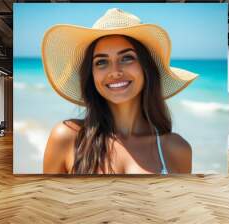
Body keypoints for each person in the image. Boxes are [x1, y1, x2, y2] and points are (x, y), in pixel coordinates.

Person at [41, 8, 198, 174]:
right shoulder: (66, 137)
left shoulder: (177, 149)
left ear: (146, 68)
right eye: (101, 62)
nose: (115, 71)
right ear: (91, 74)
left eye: (127, 58)